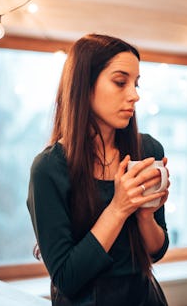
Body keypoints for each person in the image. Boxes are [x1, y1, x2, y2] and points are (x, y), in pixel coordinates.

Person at [27, 33, 170, 306]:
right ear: (85, 84)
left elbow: (156, 251)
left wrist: (145, 215)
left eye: (136, 83)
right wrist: (119, 208)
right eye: (120, 82)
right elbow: (67, 278)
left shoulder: (147, 151)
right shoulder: (48, 170)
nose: (135, 95)